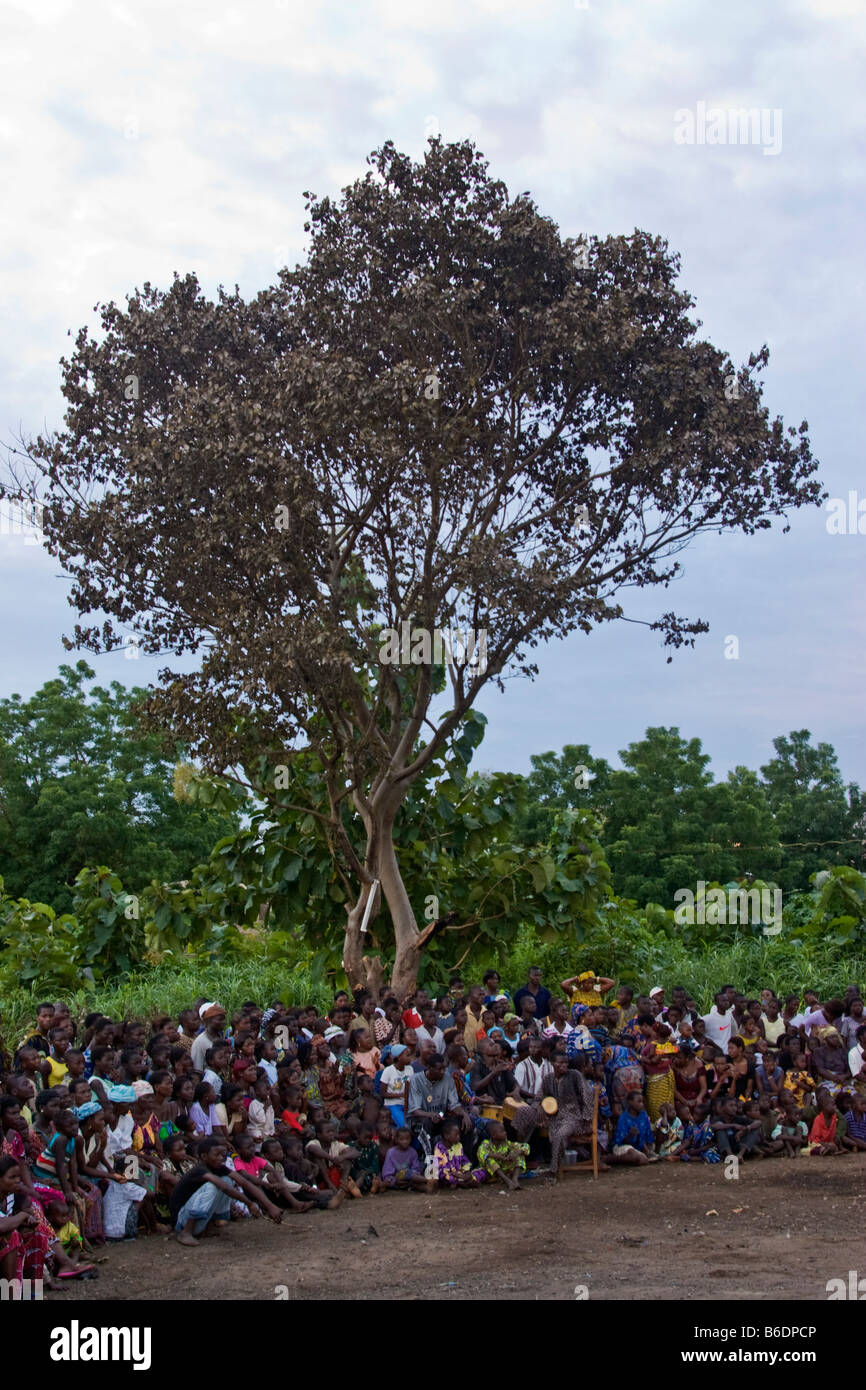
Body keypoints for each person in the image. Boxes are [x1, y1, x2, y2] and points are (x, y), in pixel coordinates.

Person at [170, 1136, 283, 1245]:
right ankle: (186, 1233)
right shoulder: (200, 1170)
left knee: (227, 1180)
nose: (221, 1158)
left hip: (195, 1218)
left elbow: (244, 1182)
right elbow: (224, 1188)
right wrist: (249, 1203)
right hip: (181, 1221)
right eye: (216, 1155)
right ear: (204, 1157)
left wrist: (270, 1206)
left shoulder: (218, 1167)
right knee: (214, 1186)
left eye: (222, 1155)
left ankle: (210, 1225)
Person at [477, 1120, 529, 1190]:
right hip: (491, 1173)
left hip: (505, 1170)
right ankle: (507, 1181)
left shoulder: (507, 1143)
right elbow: (481, 1152)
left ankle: (515, 1179)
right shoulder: (486, 1144)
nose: (505, 1133)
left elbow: (525, 1146)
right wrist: (501, 1157)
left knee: (520, 1155)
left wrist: (516, 1153)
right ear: (493, 1135)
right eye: (502, 1131)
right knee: (489, 1159)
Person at [433, 1119, 486, 1187]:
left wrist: (466, 1172)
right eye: (456, 1134)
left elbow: (465, 1160)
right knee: (442, 1175)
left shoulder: (459, 1145)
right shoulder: (439, 1148)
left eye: (459, 1134)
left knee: (482, 1171)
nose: (459, 1137)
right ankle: (464, 1182)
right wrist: (456, 1174)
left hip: (460, 1174)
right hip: (448, 1174)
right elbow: (440, 1167)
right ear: (446, 1136)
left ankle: (464, 1181)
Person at [381, 1127, 435, 1192]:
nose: (405, 1141)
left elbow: (416, 1168)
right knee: (406, 1172)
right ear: (396, 1140)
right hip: (396, 1179)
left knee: (415, 1180)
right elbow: (387, 1172)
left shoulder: (413, 1152)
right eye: (401, 1139)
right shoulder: (391, 1152)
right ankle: (428, 1180)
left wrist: (413, 1175)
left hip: (411, 1179)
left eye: (407, 1139)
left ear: (411, 1139)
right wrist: (394, 1180)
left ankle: (427, 1188)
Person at [611, 1092, 658, 1164]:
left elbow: (648, 1135)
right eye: (639, 1101)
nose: (642, 1104)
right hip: (625, 1147)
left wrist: (648, 1148)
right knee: (634, 1154)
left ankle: (640, 1156)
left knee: (650, 1149)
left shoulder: (644, 1114)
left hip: (640, 1147)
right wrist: (630, 1135)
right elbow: (621, 1142)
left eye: (642, 1102)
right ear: (630, 1102)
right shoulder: (623, 1118)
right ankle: (611, 1159)